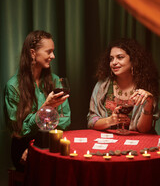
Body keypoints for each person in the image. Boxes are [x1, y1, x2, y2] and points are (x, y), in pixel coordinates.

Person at [4, 30, 71, 171]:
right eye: (49, 52)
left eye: (53, 51)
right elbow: (19, 130)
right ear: (33, 53)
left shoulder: (55, 81)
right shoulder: (13, 86)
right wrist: (46, 107)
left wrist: (39, 131)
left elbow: (65, 120)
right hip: (23, 147)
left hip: (50, 142)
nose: (53, 56)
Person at [87, 38, 159, 133]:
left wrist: (149, 103)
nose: (114, 62)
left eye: (120, 57)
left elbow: (143, 130)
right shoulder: (102, 86)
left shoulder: (147, 86)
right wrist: (110, 120)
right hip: (108, 140)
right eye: (111, 59)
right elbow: (91, 121)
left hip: (138, 143)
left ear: (133, 60)